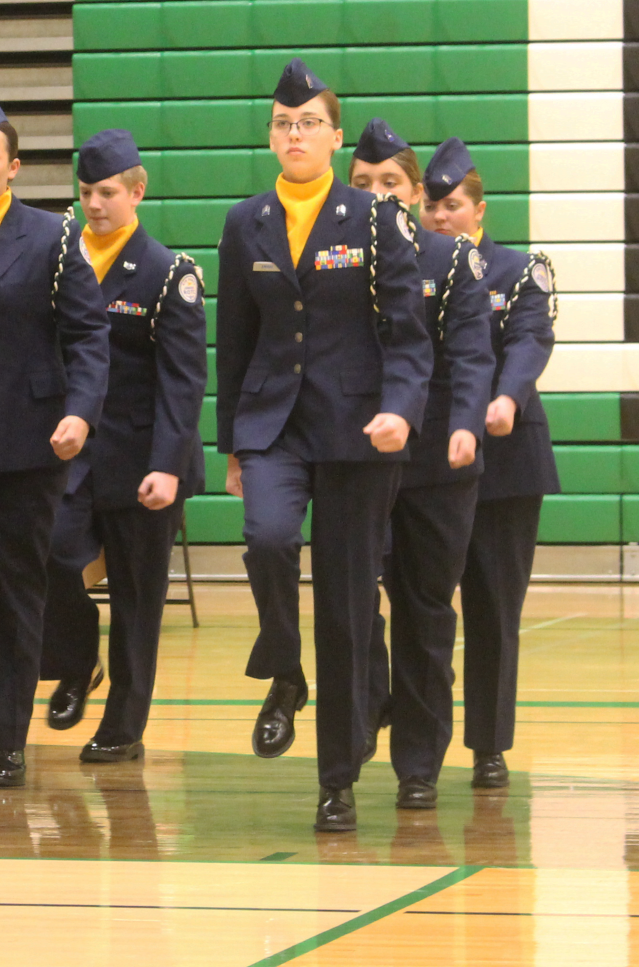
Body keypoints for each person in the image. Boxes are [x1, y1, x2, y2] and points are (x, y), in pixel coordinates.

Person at [214, 60, 430, 832]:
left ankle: (335, 780)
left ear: (334, 137)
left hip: (357, 434)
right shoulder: (246, 222)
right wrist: (231, 443)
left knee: (344, 610)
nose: (293, 134)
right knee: (268, 539)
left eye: (307, 123)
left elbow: (407, 334)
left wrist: (400, 410)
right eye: (281, 123)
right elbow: (233, 339)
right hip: (273, 426)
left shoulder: (375, 221)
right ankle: (282, 666)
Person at [0, 93, 109, 788]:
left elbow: (88, 333)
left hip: (26, 439)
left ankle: (7, 737)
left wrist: (80, 412)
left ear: (14, 168)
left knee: (13, 587)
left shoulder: (51, 236)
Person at [39, 130, 207, 762]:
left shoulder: (168, 273)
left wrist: (167, 467)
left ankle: (123, 726)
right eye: (85, 192)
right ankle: (78, 663)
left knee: (138, 598)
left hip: (144, 456)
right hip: (76, 455)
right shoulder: (60, 260)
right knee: (52, 553)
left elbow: (183, 383)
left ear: (137, 191)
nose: (95, 204)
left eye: (107, 192)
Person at [347, 121, 495, 810]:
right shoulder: (332, 257)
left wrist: (466, 424)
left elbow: (470, 354)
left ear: (413, 194)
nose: (375, 197)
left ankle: (418, 763)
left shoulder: (449, 260)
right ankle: (364, 715)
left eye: (389, 186)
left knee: (425, 609)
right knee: (353, 604)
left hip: (437, 460)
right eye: (362, 185)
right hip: (355, 456)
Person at [416, 137, 560, 792]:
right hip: (428, 464)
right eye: (431, 206)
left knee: (493, 609)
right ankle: (417, 733)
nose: (440, 217)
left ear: (479, 210)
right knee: (421, 605)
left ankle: (488, 746)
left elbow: (528, 339)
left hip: (504, 464)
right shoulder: (408, 271)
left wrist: (505, 397)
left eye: (451, 206)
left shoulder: (517, 271)